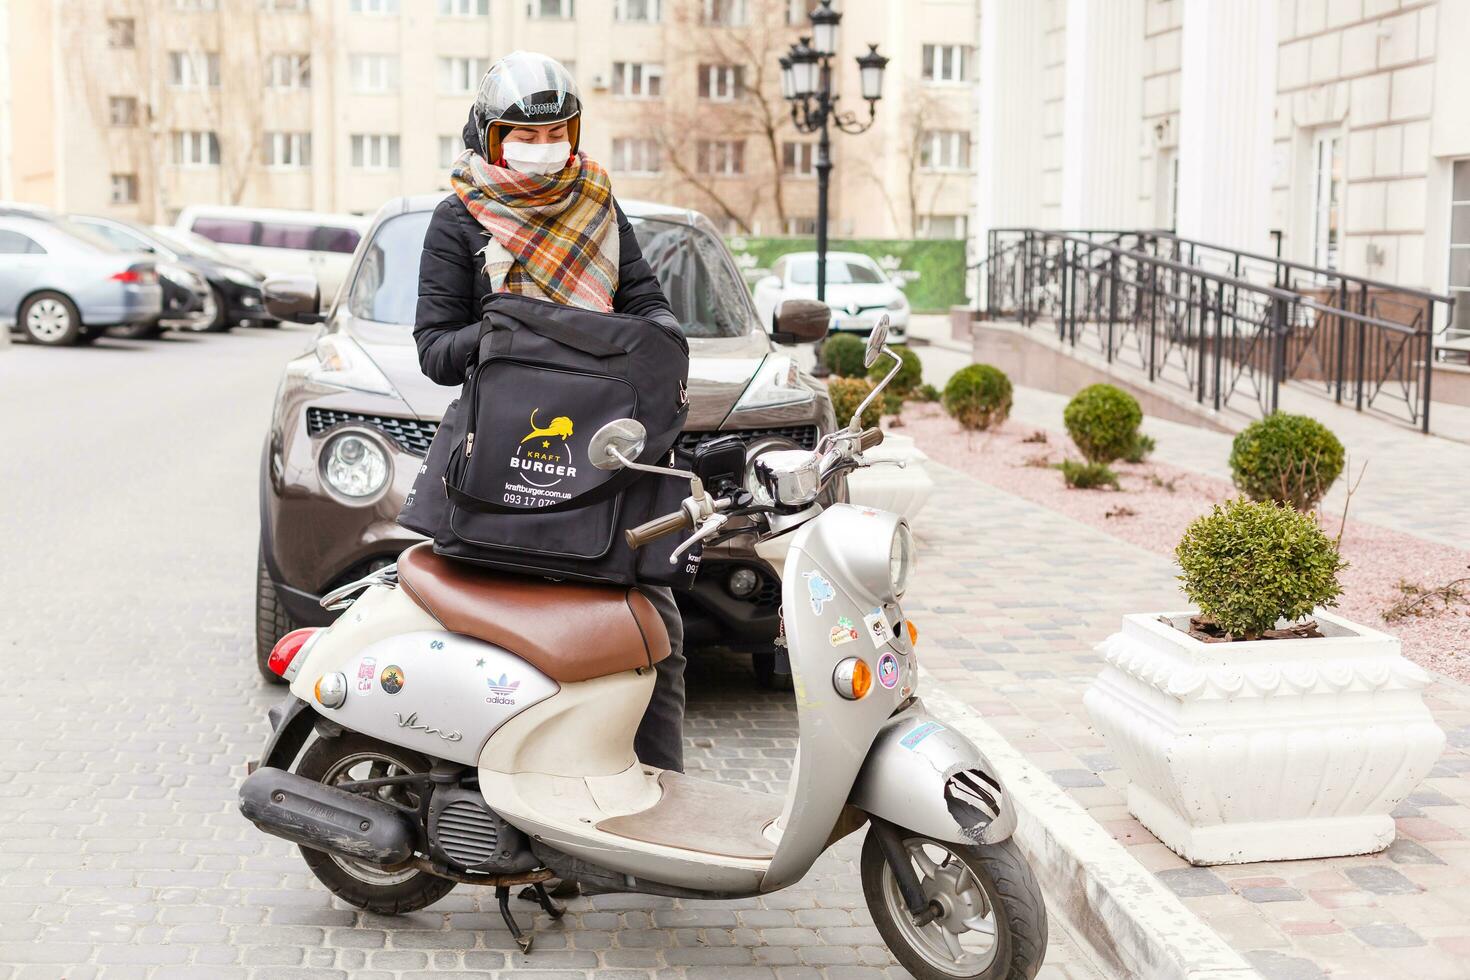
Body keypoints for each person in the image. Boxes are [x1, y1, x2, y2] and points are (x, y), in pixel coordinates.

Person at [412, 51, 686, 776]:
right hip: (500, 463)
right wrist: (519, 328)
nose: (541, 149)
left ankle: (658, 805)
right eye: (521, 137)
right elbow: (437, 352)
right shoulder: (457, 219)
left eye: (556, 132)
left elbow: (652, 314)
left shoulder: (598, 204)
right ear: (487, 136)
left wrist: (617, 341)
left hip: (598, 465)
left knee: (654, 631)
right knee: (480, 641)